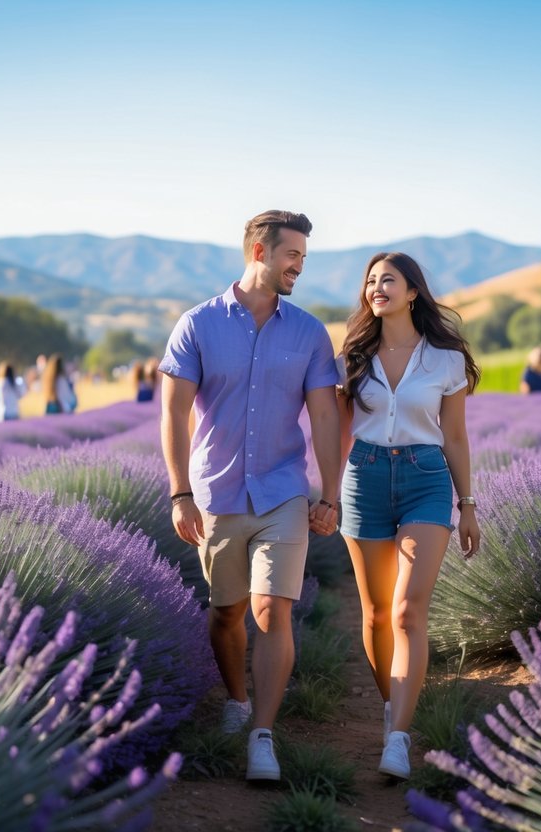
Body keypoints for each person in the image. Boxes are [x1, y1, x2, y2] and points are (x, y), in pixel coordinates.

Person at [159, 209, 341, 783]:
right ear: (259, 252)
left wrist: (329, 492)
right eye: (293, 256)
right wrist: (180, 492)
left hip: (283, 491)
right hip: (216, 492)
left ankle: (262, 734)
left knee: (271, 609)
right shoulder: (196, 325)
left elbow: (325, 417)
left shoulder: (310, 332)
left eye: (304, 259)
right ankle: (237, 700)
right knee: (227, 613)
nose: (299, 267)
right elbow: (174, 412)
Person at [335, 252, 481, 780]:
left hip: (425, 478)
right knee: (375, 615)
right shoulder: (352, 355)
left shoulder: (444, 359)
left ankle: (398, 736)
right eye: (371, 281)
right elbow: (336, 432)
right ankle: (390, 706)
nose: (377, 288)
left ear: (413, 291)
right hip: (365, 478)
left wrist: (467, 506)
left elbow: (457, 436)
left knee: (406, 612)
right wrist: (328, 493)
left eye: (388, 280)